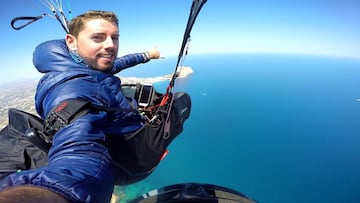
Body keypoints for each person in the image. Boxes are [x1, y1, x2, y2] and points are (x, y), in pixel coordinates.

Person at [0, 10, 160, 203]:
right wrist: (58, 193)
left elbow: (120, 62)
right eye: (98, 38)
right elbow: (77, 144)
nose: (110, 45)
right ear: (71, 42)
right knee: (178, 105)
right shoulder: (72, 87)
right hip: (127, 161)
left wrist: (147, 55)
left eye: (114, 37)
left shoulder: (84, 63)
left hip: (122, 136)